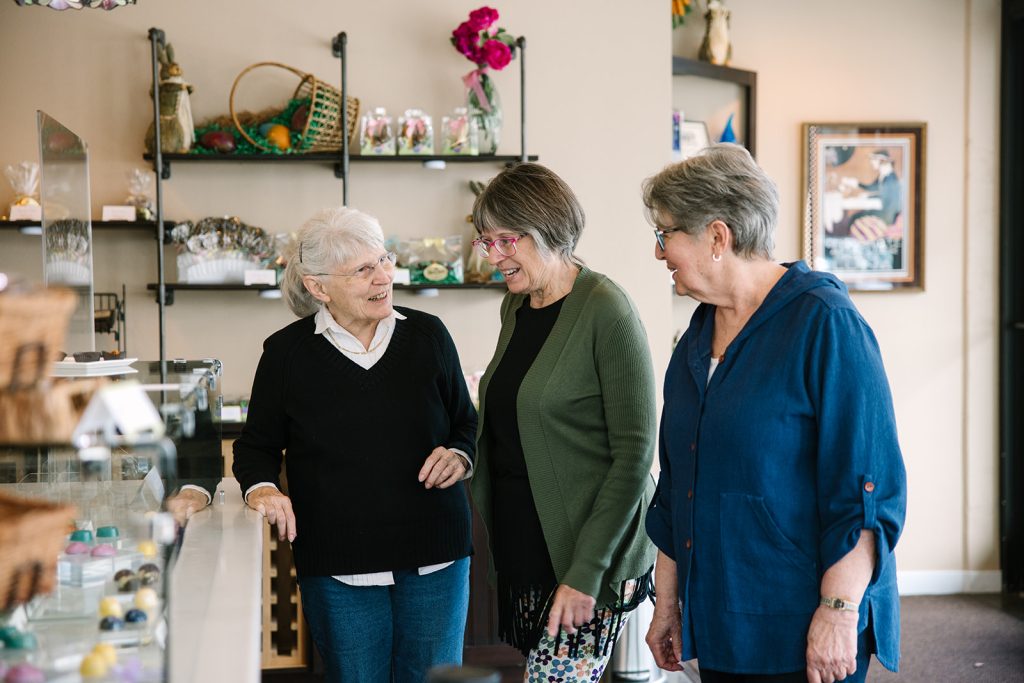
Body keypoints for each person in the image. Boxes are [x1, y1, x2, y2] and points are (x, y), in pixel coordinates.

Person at [641, 144, 907, 683]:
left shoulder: (825, 323)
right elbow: (677, 484)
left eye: (665, 234)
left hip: (801, 625)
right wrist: (666, 603)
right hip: (720, 621)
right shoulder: (695, 337)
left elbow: (866, 491)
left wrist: (838, 614)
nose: (659, 252)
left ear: (717, 237)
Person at [232, 207, 478, 683]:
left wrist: (460, 455)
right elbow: (256, 447)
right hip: (338, 564)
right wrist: (262, 488)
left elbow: (465, 423)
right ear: (318, 286)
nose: (384, 277)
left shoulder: (429, 335)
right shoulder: (286, 354)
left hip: (437, 554)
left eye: (384, 260)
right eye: (363, 270)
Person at [470, 163, 657, 681]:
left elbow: (635, 455)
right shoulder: (518, 307)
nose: (494, 256)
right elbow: (513, 410)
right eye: (486, 242)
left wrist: (586, 572)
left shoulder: (607, 310)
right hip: (526, 546)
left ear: (548, 229)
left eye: (506, 240)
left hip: (583, 553)